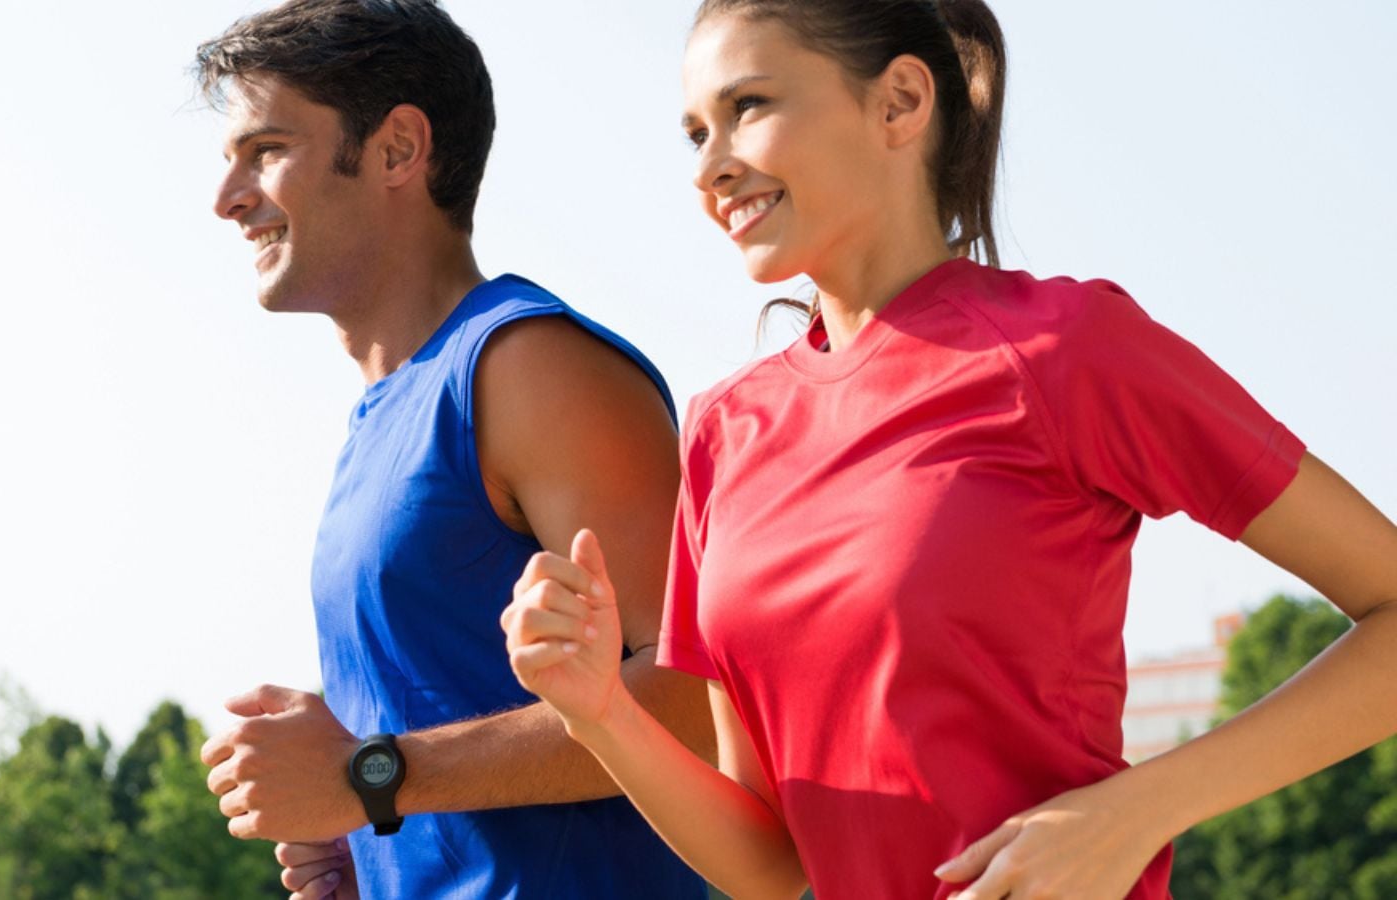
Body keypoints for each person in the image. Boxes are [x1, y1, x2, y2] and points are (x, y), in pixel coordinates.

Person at [501, 1, 1397, 897]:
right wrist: (602, 712)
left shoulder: (1065, 350)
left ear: (899, 101)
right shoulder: (722, 432)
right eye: (696, 132)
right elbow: (770, 865)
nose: (710, 168)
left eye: (749, 107)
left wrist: (1135, 812)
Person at [190, 1, 711, 898]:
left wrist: (369, 777)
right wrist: (375, 845)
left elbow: (699, 700)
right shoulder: (384, 414)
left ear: (398, 148)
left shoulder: (527, 366)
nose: (228, 197)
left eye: (267, 150)